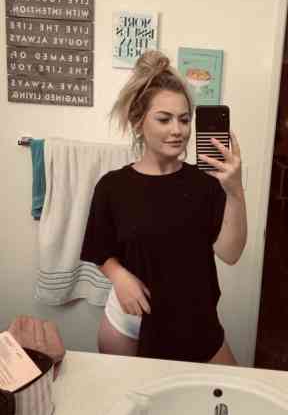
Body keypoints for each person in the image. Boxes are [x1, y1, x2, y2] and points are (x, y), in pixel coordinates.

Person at [80, 50, 247, 365]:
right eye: (164, 119)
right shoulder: (112, 187)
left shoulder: (207, 184)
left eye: (184, 119)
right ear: (138, 121)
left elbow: (231, 253)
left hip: (196, 322)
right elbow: (99, 249)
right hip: (130, 322)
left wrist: (235, 190)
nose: (178, 130)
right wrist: (119, 277)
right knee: (132, 397)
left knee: (225, 393)